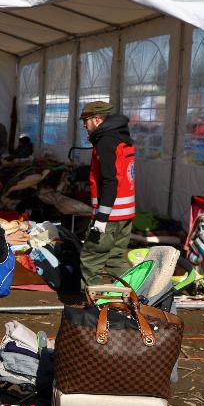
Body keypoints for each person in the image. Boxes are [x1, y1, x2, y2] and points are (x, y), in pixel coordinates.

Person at [79, 101, 136, 288]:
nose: (84, 125)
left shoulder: (105, 141)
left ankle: (91, 305)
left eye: (85, 120)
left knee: (91, 258)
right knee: (116, 259)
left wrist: (102, 217)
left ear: (97, 119)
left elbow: (110, 180)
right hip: (125, 214)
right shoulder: (122, 136)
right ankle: (135, 295)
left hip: (110, 215)